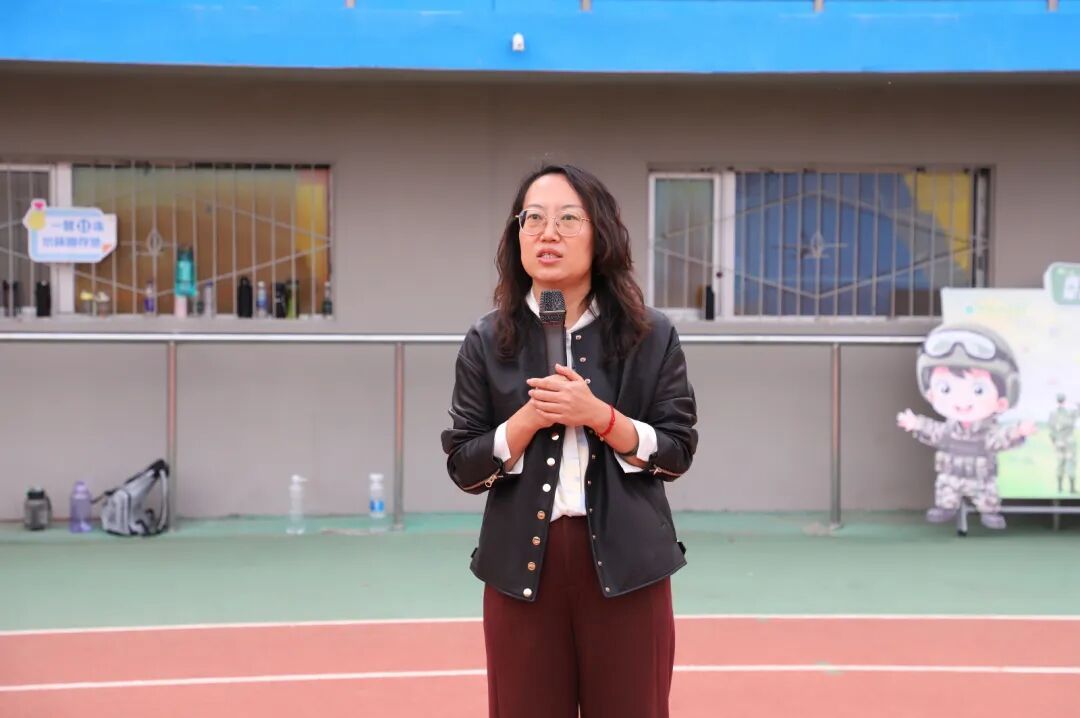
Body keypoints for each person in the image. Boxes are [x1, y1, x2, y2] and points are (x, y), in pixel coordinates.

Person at [441, 164, 698, 718]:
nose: (547, 234)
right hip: (521, 569)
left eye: (567, 219)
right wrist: (527, 420)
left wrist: (600, 417)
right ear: (517, 236)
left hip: (629, 566)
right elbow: (463, 465)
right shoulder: (486, 340)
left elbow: (678, 450)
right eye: (533, 219)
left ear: (600, 234)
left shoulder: (651, 334)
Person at [897, 324, 1035, 530]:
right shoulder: (949, 430)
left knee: (987, 495)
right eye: (945, 388)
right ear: (931, 393)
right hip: (951, 474)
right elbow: (934, 431)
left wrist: (1018, 431)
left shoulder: (987, 433)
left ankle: (989, 512)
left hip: (981, 477)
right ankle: (946, 508)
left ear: (1002, 401)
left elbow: (1000, 438)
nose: (961, 400)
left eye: (978, 390)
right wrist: (916, 424)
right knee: (946, 489)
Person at [1048, 393, 1079, 494]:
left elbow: (1051, 430)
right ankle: (1071, 489)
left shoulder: (1053, 414)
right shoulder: (1069, 413)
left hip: (1058, 442)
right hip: (1069, 442)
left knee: (1060, 463)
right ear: (1064, 400)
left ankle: (1059, 487)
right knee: (1071, 463)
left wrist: (1054, 442)